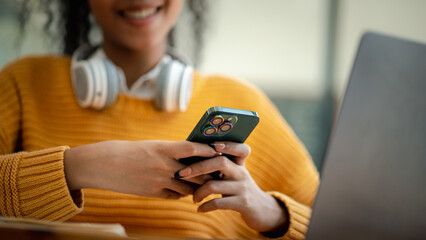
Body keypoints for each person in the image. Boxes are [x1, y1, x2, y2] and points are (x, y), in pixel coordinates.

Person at [0, 0, 319, 239]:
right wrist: (85, 166)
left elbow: (347, 227)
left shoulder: (242, 103)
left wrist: (275, 215)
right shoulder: (24, 84)